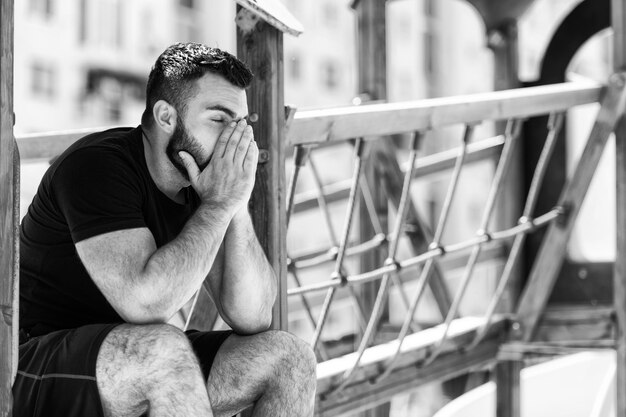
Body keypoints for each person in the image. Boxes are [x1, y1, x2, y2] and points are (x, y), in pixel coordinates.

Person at [13, 42, 317, 417]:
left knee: (289, 359)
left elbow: (252, 316)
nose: (233, 140)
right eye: (219, 120)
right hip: (30, 365)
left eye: (240, 125)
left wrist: (233, 202)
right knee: (164, 353)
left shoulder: (202, 188)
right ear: (166, 117)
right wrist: (219, 205)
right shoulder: (97, 167)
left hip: (133, 360)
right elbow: (146, 303)